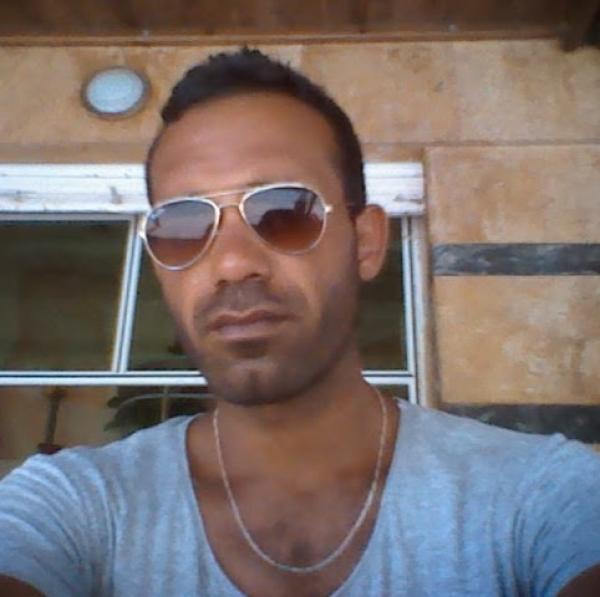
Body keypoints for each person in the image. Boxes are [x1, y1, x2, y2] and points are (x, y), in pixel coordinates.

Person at [1, 48, 599, 597]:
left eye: (284, 210)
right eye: (182, 225)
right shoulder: (73, 505)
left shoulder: (540, 495)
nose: (231, 263)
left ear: (366, 242)